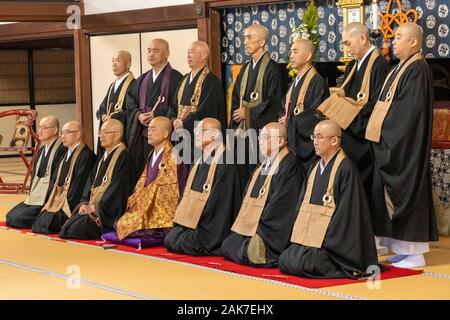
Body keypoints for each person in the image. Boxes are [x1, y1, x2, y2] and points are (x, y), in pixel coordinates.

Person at [366, 22, 439, 268]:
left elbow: (408, 113)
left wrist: (386, 131)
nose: (392, 42)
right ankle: (400, 247)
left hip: (405, 147)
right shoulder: (400, 68)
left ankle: (415, 252)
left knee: (406, 188)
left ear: (413, 42)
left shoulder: (418, 69)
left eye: (398, 37)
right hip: (389, 142)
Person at [279, 120, 378, 279]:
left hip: (334, 246)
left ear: (334, 140)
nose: (315, 142)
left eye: (319, 137)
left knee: (305, 262)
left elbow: (347, 216)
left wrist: (323, 239)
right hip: (311, 240)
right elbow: (302, 206)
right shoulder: (314, 168)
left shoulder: (346, 169)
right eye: (314, 137)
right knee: (285, 259)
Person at [317, 22, 388, 196]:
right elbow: (345, 98)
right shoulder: (351, 66)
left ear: (363, 39)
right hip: (348, 131)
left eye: (348, 43)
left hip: (363, 137)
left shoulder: (379, 64)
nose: (346, 49)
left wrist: (346, 113)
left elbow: (377, 105)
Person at [222, 122, 303, 267]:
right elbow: (247, 197)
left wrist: (258, 227)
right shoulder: (263, 166)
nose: (260, 141)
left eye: (265, 138)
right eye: (260, 138)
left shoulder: (290, 166)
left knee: (248, 250)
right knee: (228, 244)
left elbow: (281, 206)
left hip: (269, 232)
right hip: (254, 226)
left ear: (280, 141)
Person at [102, 117, 185, 248]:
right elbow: (143, 183)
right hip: (146, 206)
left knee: (131, 226)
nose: (149, 132)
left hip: (161, 212)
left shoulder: (174, 155)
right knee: (119, 223)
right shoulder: (152, 153)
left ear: (165, 134)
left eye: (153, 129)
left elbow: (176, 189)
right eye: (148, 129)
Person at [164, 118, 243, 256]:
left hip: (210, 227)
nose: (196, 134)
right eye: (195, 131)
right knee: (171, 238)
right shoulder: (201, 159)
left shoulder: (225, 161)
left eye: (201, 131)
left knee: (181, 241)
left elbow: (219, 204)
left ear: (215, 135)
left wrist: (198, 222)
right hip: (193, 222)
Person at [59, 119, 132, 240]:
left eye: (105, 132)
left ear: (118, 135)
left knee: (74, 228)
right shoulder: (103, 156)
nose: (101, 136)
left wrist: (96, 208)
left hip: (107, 213)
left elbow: (118, 189)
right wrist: (84, 203)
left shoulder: (124, 157)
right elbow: (90, 183)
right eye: (100, 133)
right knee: (67, 226)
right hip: (93, 207)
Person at [230, 24, 283, 181]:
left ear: (261, 42)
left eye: (249, 37)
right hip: (242, 131)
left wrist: (247, 112)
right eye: (244, 37)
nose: (245, 41)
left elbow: (273, 102)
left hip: (260, 133)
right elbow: (235, 99)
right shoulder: (245, 69)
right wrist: (238, 113)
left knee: (259, 174)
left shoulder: (273, 69)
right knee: (241, 174)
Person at [126, 39, 183, 182]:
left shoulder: (177, 78)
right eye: (149, 50)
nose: (151, 54)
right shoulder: (142, 79)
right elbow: (130, 102)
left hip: (165, 137)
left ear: (167, 54)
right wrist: (138, 116)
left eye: (155, 51)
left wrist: (157, 115)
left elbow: (178, 106)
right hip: (143, 136)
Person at [167, 41, 227, 165]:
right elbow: (173, 106)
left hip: (198, 139)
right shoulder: (184, 80)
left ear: (204, 55)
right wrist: (174, 120)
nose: (188, 55)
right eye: (187, 53)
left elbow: (207, 110)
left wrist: (185, 122)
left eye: (192, 52)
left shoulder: (211, 81)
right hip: (181, 136)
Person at [32, 121, 96, 234]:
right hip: (59, 199)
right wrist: (53, 200)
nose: (62, 136)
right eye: (62, 133)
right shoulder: (65, 154)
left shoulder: (86, 156)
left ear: (77, 135)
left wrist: (64, 203)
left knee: (47, 224)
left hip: (71, 202)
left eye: (66, 132)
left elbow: (79, 185)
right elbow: (55, 180)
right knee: (38, 221)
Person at [278, 38, 330, 172]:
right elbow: (284, 106)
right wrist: (283, 117)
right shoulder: (295, 81)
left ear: (308, 56)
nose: (291, 56)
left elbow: (316, 115)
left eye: (295, 52)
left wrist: (290, 121)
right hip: (291, 141)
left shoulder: (317, 82)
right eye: (290, 52)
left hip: (306, 146)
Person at [6, 116, 66, 228]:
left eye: (44, 128)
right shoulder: (42, 150)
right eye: (39, 127)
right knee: (10, 216)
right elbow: (34, 176)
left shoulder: (62, 149)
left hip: (47, 198)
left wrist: (47, 198)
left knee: (18, 219)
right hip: (36, 196)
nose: (39, 131)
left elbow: (57, 177)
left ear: (55, 130)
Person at [96, 50, 135, 155]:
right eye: (113, 61)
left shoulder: (133, 84)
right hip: (108, 131)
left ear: (128, 64)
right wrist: (103, 114)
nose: (114, 64)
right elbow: (103, 106)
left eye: (118, 61)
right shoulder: (112, 85)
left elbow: (132, 111)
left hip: (121, 132)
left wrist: (114, 117)